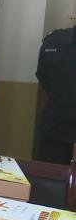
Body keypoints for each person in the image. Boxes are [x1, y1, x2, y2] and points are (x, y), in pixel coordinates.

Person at [36, 25, 76, 165]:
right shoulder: (54, 42)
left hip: (57, 129)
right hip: (56, 134)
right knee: (49, 175)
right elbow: (43, 77)